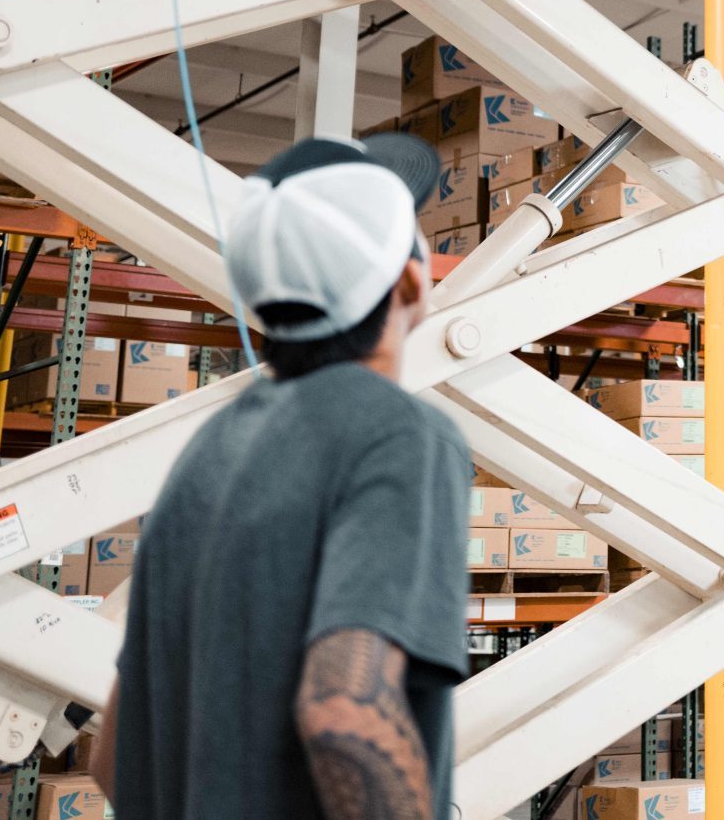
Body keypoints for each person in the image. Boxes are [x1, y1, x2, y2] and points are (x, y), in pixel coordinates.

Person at [90, 133, 470, 820]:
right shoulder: (397, 435)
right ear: (410, 280)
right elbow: (346, 712)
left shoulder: (211, 446)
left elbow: (112, 758)